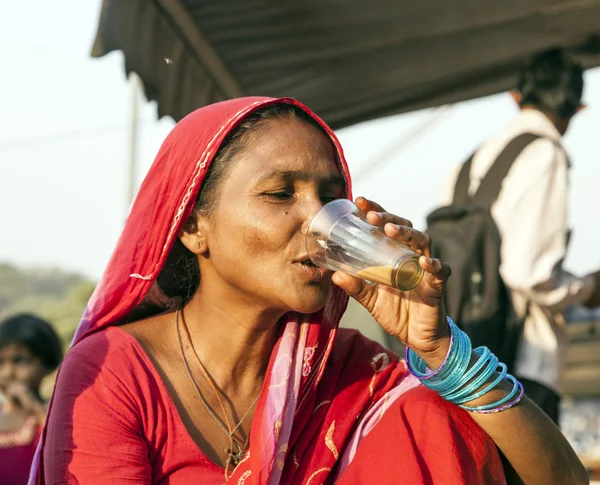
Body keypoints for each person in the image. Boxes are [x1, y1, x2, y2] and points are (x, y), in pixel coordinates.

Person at [30, 97, 587, 485]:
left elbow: (560, 478)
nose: (318, 222)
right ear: (194, 227)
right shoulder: (115, 373)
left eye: (331, 196)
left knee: (427, 416)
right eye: (279, 194)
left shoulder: (356, 375)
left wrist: (443, 352)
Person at [444, 48, 600, 426]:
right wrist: (587, 289)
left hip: (467, 359)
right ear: (577, 110)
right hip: (525, 363)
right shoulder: (545, 154)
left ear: (517, 96)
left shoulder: (470, 162)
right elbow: (530, 275)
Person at [0, 313, 63, 485]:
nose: (8, 372)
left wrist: (34, 407)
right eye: (0, 362)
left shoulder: (55, 416)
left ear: (47, 364)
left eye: (20, 361)